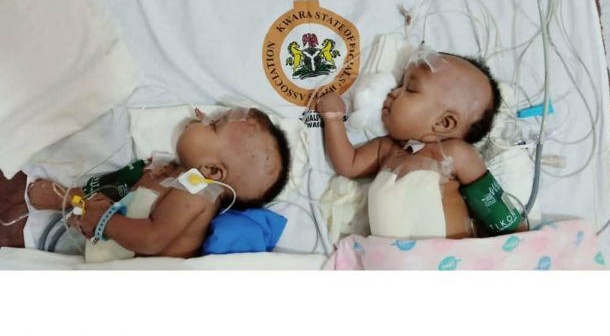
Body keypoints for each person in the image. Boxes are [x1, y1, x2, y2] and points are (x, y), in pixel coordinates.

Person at [26, 107, 291, 258]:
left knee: (96, 207)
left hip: (137, 260)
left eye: (213, 125)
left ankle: (66, 201)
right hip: (119, 238)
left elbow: (152, 239)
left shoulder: (198, 195)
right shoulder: (185, 179)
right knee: (102, 197)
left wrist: (104, 221)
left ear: (212, 170)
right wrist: (165, 174)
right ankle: (68, 200)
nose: (202, 115)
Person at [316, 49, 523, 239]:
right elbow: (348, 164)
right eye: (400, 84)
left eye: (410, 89)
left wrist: (519, 243)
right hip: (391, 259)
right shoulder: (386, 149)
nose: (393, 92)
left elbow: (498, 212)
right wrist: (333, 118)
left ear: (443, 123)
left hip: (449, 259)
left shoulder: (454, 154)